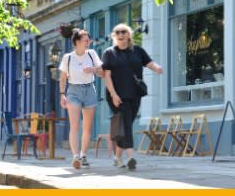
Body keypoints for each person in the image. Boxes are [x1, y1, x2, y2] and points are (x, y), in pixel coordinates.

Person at [102, 23, 164, 171]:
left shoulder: (138, 51)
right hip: (117, 95)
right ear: (115, 36)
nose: (120, 34)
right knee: (127, 124)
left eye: (123, 32)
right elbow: (107, 76)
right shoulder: (109, 53)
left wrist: (157, 68)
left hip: (135, 93)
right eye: (117, 32)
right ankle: (131, 157)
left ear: (129, 34)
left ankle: (117, 158)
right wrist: (113, 94)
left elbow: (149, 63)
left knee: (127, 123)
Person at [59, 28, 104, 170]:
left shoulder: (92, 54)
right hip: (73, 91)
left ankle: (83, 155)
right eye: (86, 40)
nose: (88, 42)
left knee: (87, 127)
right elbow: (63, 78)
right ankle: (75, 157)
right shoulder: (68, 58)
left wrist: (94, 70)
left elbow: (102, 72)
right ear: (77, 42)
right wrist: (62, 94)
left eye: (89, 40)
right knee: (75, 125)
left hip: (89, 89)